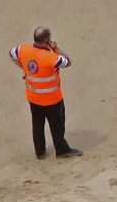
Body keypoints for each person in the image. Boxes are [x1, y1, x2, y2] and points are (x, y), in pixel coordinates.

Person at [9, 26, 82, 159]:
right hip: (52, 100)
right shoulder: (51, 57)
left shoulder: (23, 49)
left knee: (37, 125)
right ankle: (62, 150)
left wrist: (25, 69)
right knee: (57, 126)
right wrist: (55, 48)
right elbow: (67, 62)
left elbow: (11, 53)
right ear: (47, 40)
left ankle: (40, 152)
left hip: (33, 98)